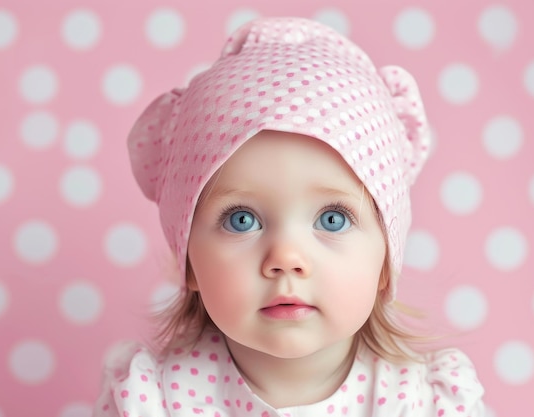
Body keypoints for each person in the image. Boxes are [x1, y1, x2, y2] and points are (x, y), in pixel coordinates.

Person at [93, 16, 485, 417]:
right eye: (241, 220)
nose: (286, 257)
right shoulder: (153, 402)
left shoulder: (425, 404)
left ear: (386, 260)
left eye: (333, 219)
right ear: (188, 258)